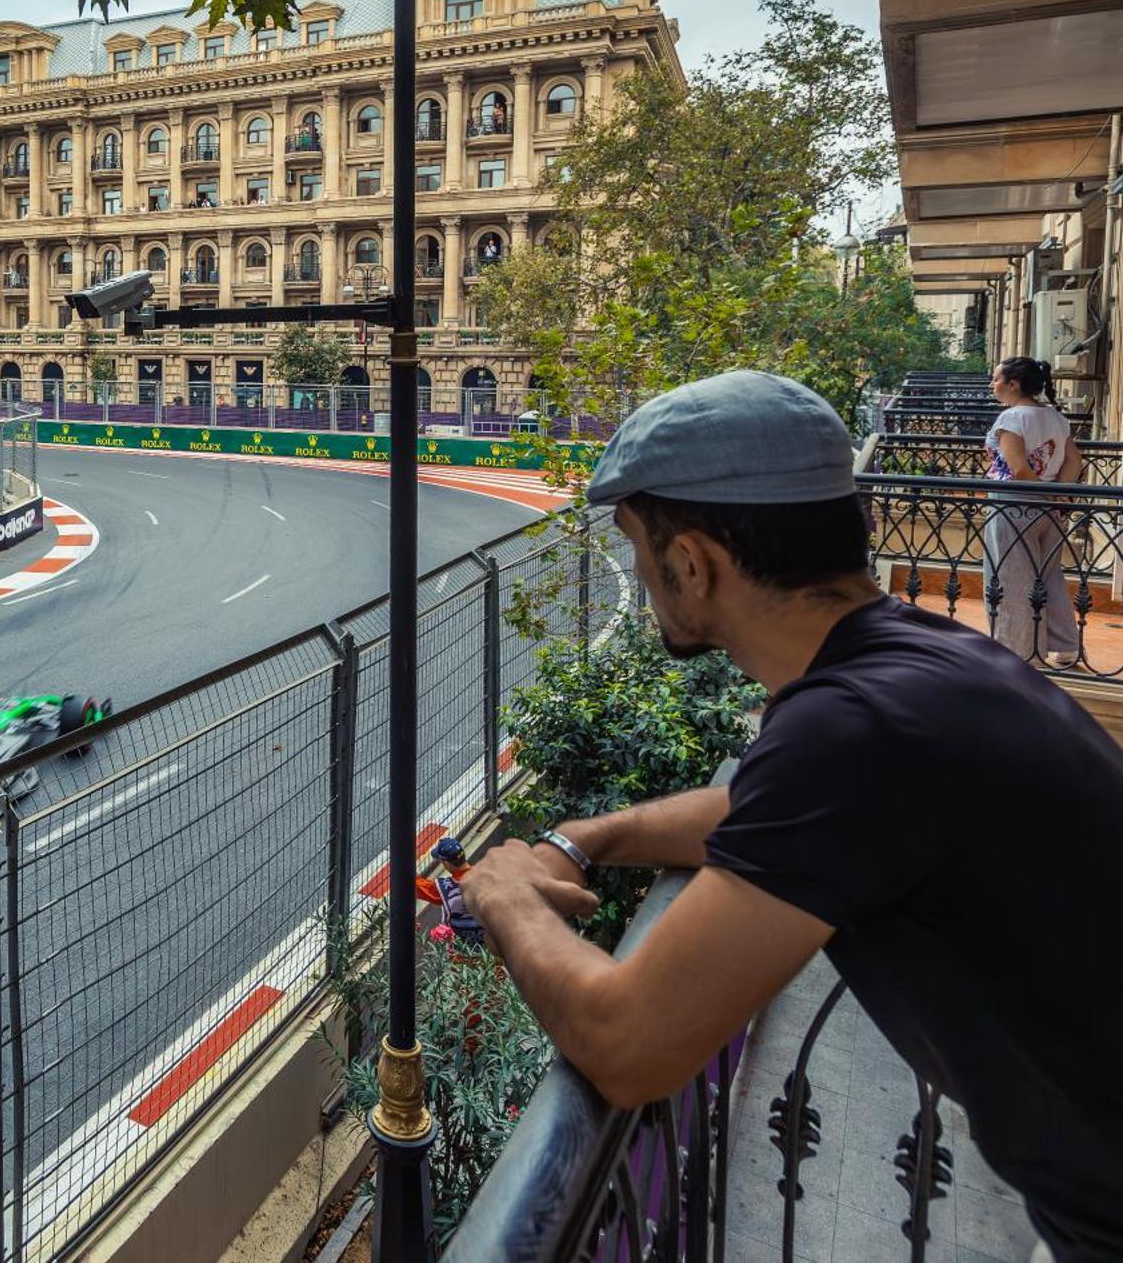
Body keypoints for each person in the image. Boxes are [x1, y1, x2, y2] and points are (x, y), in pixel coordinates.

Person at [456, 369, 1123, 1262]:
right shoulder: (917, 661)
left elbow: (627, 1043)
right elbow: (761, 807)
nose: (644, 576)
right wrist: (588, 839)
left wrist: (505, 891)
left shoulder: (854, 733)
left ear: (693, 564)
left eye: (639, 550)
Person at [982, 356, 1082, 666]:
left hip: (1013, 504)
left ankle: (1021, 651)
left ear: (1013, 384)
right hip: (1049, 509)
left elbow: (1017, 468)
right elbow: (1073, 462)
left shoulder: (1012, 418)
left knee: (1010, 578)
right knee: (1049, 574)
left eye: (996, 379)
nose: (992, 384)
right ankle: (1066, 647)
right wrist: (1057, 496)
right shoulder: (1055, 417)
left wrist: (1043, 494)